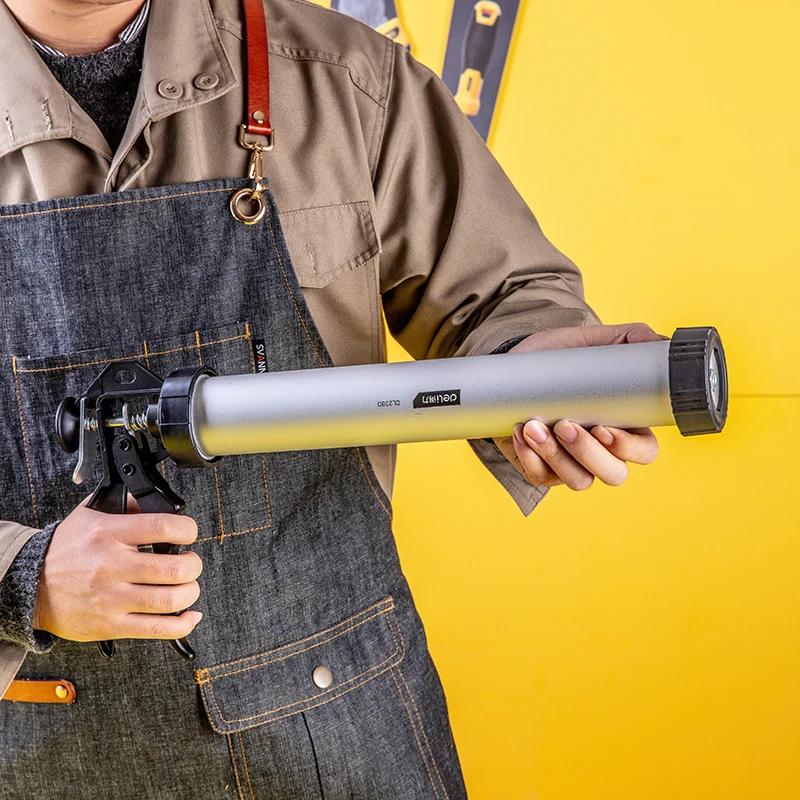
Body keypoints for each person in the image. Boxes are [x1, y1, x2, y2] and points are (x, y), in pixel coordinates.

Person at [0, 0, 660, 796]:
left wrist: (530, 367)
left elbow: (504, 299)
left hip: (344, 726)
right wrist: (21, 578)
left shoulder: (344, 79)